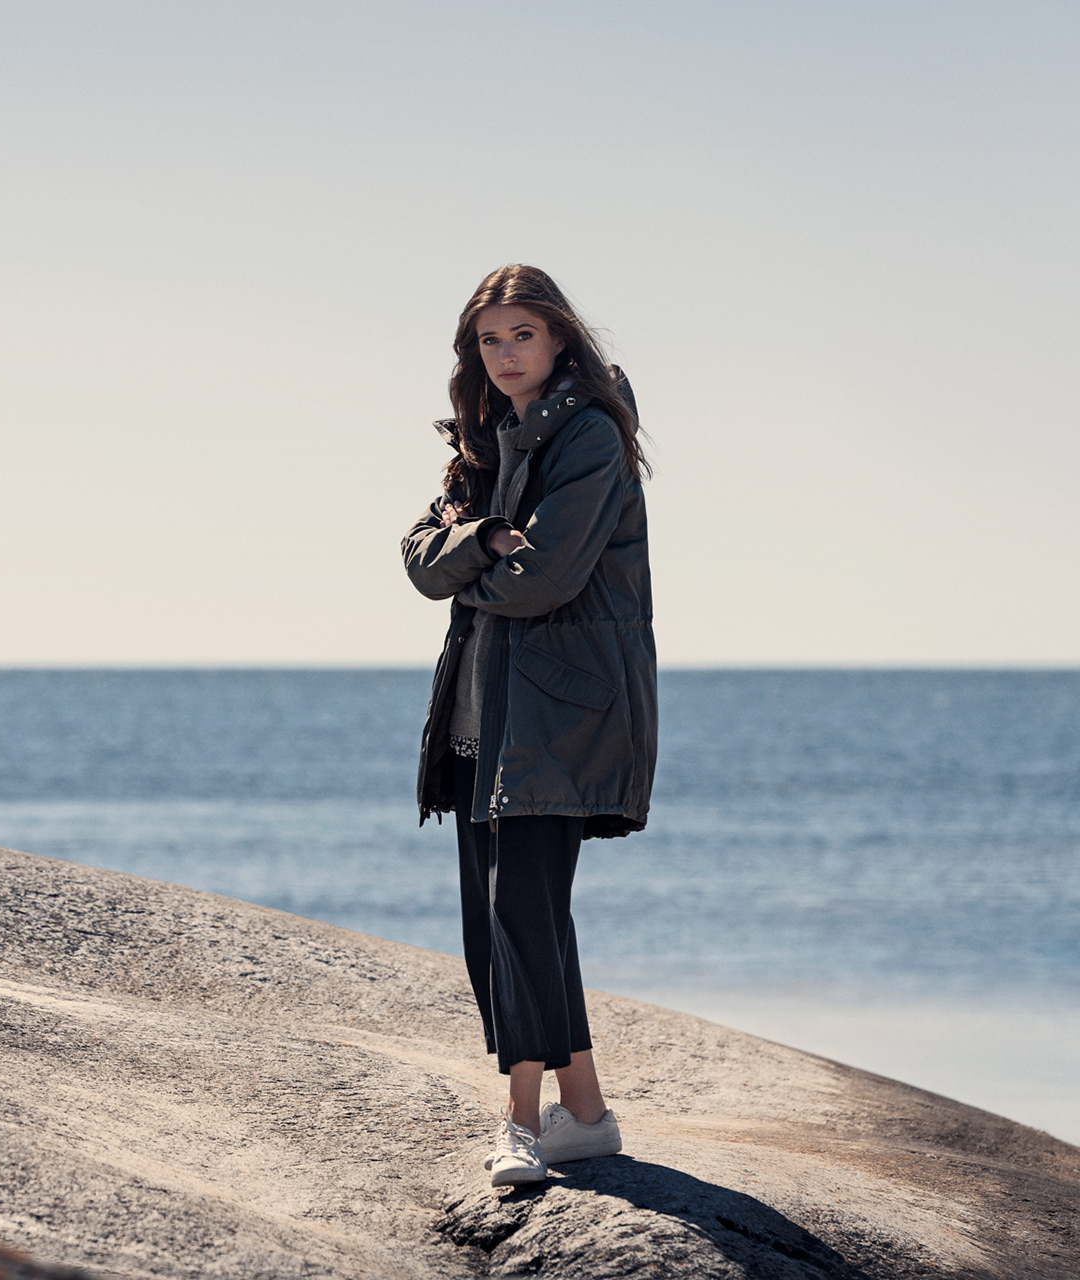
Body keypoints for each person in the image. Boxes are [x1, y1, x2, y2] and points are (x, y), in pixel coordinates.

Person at [400, 264, 656, 1189]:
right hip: (482, 717)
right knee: (512, 921)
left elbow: (542, 580)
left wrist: (489, 554)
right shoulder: (483, 440)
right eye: (489, 340)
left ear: (559, 341)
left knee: (519, 916)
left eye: (523, 337)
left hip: (559, 717)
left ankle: (520, 1125)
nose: (505, 355)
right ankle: (583, 1113)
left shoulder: (587, 437)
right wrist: (483, 540)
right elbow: (419, 560)